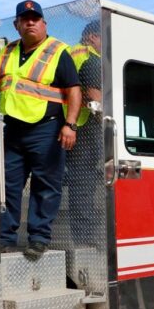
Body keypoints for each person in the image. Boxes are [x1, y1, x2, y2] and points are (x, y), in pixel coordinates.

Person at [0, 0, 82, 260]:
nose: (30, 22)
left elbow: (73, 90)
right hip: (12, 130)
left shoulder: (57, 51)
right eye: (25, 19)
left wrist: (70, 124)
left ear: (44, 23)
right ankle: (5, 239)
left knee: (45, 186)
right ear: (17, 24)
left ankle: (39, 239)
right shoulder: (6, 52)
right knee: (8, 187)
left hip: (46, 130)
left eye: (35, 18)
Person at [67, 20, 103, 245]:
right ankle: (84, 239)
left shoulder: (72, 52)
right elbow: (97, 101)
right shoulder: (91, 59)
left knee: (78, 182)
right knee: (84, 184)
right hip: (82, 128)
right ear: (92, 37)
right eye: (103, 39)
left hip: (64, 126)